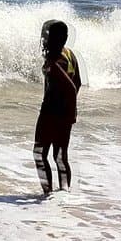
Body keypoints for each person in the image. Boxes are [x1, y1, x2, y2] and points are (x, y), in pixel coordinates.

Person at [33, 19, 82, 195]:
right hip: (65, 113)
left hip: (50, 112)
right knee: (60, 156)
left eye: (47, 36)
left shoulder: (54, 61)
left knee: (39, 154)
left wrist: (66, 111)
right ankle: (64, 192)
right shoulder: (69, 54)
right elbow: (78, 82)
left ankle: (47, 193)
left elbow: (70, 87)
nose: (44, 39)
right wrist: (70, 111)